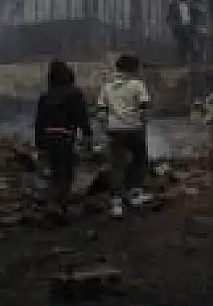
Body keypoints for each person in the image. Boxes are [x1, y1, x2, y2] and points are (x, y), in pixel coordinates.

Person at [33, 59, 93, 220]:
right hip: (65, 137)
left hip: (48, 138)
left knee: (54, 173)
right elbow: (82, 117)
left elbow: (39, 123)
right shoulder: (75, 94)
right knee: (66, 173)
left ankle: (54, 205)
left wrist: (39, 145)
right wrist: (87, 136)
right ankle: (58, 205)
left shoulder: (45, 97)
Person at [97, 54, 153, 218]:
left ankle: (116, 202)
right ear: (133, 69)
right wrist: (143, 124)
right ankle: (134, 194)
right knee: (138, 160)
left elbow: (101, 110)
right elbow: (144, 107)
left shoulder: (107, 87)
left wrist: (105, 127)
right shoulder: (137, 85)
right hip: (134, 129)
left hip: (114, 130)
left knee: (117, 165)